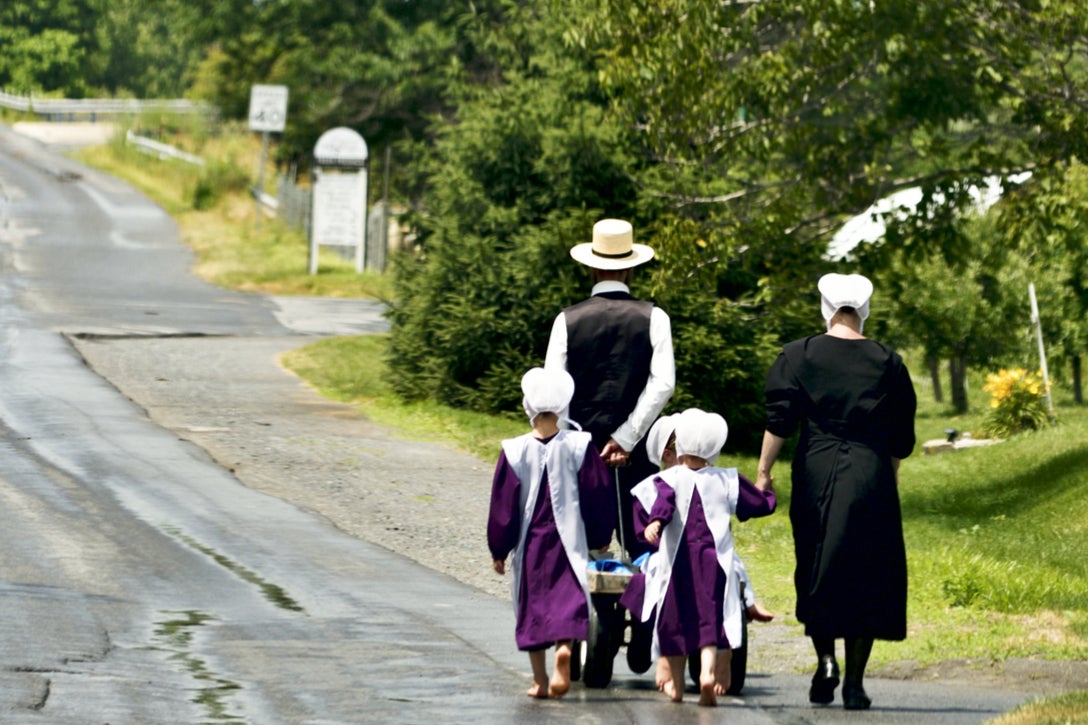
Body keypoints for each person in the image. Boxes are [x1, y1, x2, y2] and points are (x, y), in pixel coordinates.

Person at [756, 273, 917, 710]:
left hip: (816, 467)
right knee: (867, 570)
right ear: (865, 310)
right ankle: (855, 683)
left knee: (815, 561)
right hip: (870, 470)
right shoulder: (889, 362)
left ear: (825, 308)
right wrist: (890, 476)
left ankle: (825, 660)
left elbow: (780, 421)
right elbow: (900, 435)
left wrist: (764, 471)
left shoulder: (797, 355)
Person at [545, 218, 674, 560]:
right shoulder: (655, 317)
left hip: (581, 449)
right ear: (631, 270)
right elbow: (663, 383)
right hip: (638, 450)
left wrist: (573, 446)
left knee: (584, 545)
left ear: (590, 266)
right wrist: (627, 437)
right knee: (644, 545)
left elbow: (554, 391)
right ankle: (642, 611)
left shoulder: (566, 320)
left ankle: (597, 613)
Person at [628, 408, 776, 706]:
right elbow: (756, 504)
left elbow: (661, 506)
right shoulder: (726, 480)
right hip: (714, 565)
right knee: (711, 621)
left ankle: (677, 683)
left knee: (674, 621)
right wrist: (767, 494)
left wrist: (655, 522)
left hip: (676, 564)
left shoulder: (666, 481)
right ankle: (707, 673)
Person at [487, 367, 617, 699]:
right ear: (562, 406)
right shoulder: (579, 445)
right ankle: (564, 648)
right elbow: (597, 492)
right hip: (568, 542)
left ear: (528, 406)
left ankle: (539, 679)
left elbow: (504, 505)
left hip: (531, 543)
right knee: (568, 598)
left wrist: (499, 549)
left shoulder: (514, 450)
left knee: (533, 607)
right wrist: (601, 535)